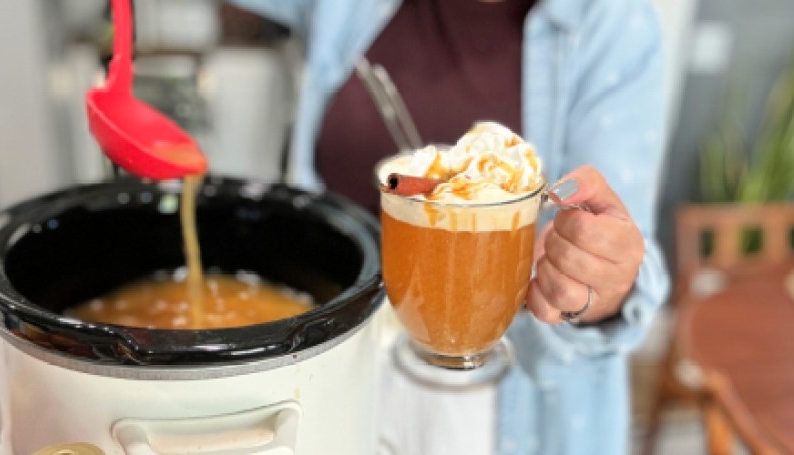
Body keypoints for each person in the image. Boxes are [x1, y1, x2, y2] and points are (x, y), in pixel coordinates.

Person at [230, 0, 670, 453]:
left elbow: (624, 252)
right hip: (328, 366)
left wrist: (594, 281)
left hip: (499, 407)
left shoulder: (611, 21)